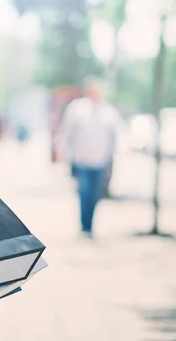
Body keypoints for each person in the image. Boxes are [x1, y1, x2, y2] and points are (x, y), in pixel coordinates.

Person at [58, 78, 121, 238]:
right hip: (82, 160)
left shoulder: (109, 112)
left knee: (94, 195)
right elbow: (67, 132)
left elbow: (114, 136)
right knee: (84, 192)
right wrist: (64, 152)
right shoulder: (77, 109)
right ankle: (84, 226)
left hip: (100, 161)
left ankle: (90, 225)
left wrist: (113, 157)